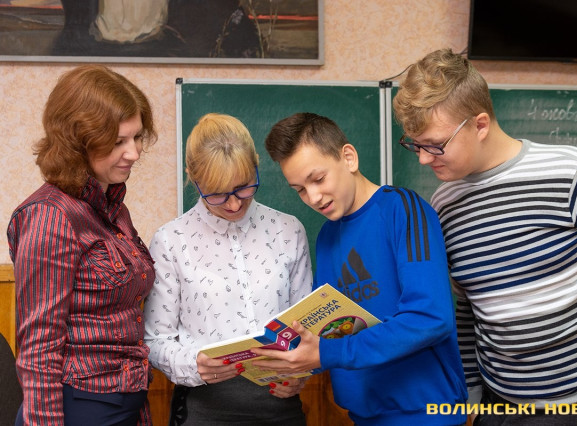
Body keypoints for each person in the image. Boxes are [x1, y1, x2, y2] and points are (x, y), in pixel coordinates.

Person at [392, 48, 577, 425]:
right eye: (415, 145)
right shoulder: (443, 206)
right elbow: (466, 309)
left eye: (435, 145)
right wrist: (472, 394)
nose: (424, 159)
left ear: (479, 125)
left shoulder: (574, 172)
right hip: (506, 407)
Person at [252, 112, 468, 426]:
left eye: (318, 179)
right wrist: (300, 367)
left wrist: (325, 354)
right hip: (360, 415)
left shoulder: (403, 209)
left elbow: (430, 317)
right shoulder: (327, 236)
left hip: (425, 414)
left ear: (349, 158)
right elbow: (330, 330)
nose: (313, 197)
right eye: (300, 189)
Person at [7, 64, 158, 426]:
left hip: (125, 400)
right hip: (78, 405)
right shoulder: (49, 216)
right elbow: (39, 349)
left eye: (137, 137)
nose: (134, 153)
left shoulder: (114, 208)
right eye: (118, 142)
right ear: (78, 142)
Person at [143, 113, 313, 425]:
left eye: (244, 188)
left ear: (256, 165)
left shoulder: (288, 230)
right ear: (192, 178)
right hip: (203, 410)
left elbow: (305, 326)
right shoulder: (171, 241)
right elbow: (155, 340)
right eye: (217, 193)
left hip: (281, 409)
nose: (233, 205)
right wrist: (194, 364)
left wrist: (301, 371)